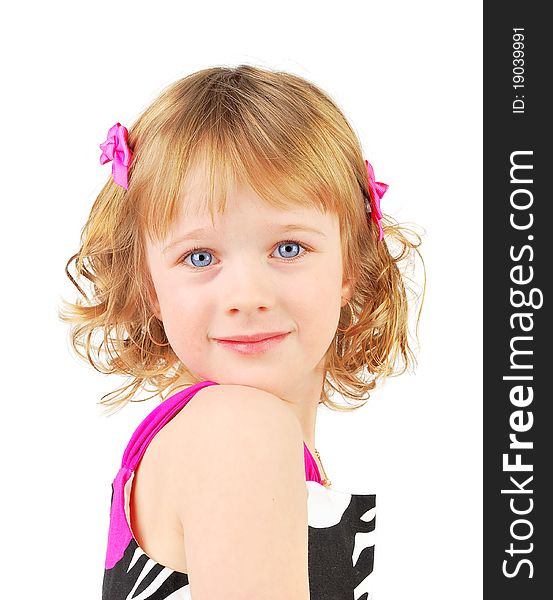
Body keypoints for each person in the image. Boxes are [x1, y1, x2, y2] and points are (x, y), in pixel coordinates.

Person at [60, 64, 424, 600]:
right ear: (149, 285)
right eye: (200, 256)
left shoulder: (215, 441)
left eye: (288, 248)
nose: (247, 295)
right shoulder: (239, 429)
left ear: (352, 263)